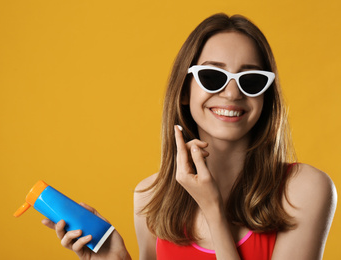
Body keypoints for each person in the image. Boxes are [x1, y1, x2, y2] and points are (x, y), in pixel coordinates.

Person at [43, 13, 337, 259]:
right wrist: (115, 257)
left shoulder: (304, 190)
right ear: (185, 91)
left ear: (265, 97)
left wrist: (213, 210)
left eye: (251, 80)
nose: (232, 93)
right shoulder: (150, 198)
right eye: (212, 76)